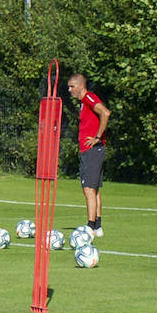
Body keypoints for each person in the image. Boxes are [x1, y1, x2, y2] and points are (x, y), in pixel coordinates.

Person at [68, 73, 111, 238]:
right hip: (92, 151)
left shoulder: (88, 98)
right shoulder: (83, 102)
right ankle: (97, 226)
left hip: (92, 150)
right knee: (94, 189)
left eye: (72, 86)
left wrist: (98, 137)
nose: (70, 90)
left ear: (80, 86)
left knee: (88, 189)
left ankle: (90, 227)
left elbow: (105, 113)